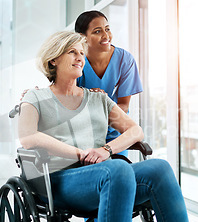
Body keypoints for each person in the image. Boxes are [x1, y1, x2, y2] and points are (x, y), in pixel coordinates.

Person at [18, 31, 188, 222]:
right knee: (117, 169)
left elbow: (135, 131)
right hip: (58, 180)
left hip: (104, 175)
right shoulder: (36, 97)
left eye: (81, 53)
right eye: (72, 52)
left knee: (159, 168)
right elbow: (27, 136)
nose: (80, 58)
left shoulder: (98, 98)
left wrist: (106, 150)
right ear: (53, 60)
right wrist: (79, 154)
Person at [75, 11, 143, 155]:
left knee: (121, 169)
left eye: (107, 29)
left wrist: (104, 109)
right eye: (97, 31)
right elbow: (67, 101)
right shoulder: (75, 61)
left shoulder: (125, 60)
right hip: (82, 133)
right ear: (83, 37)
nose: (106, 36)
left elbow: (124, 105)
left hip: (114, 131)